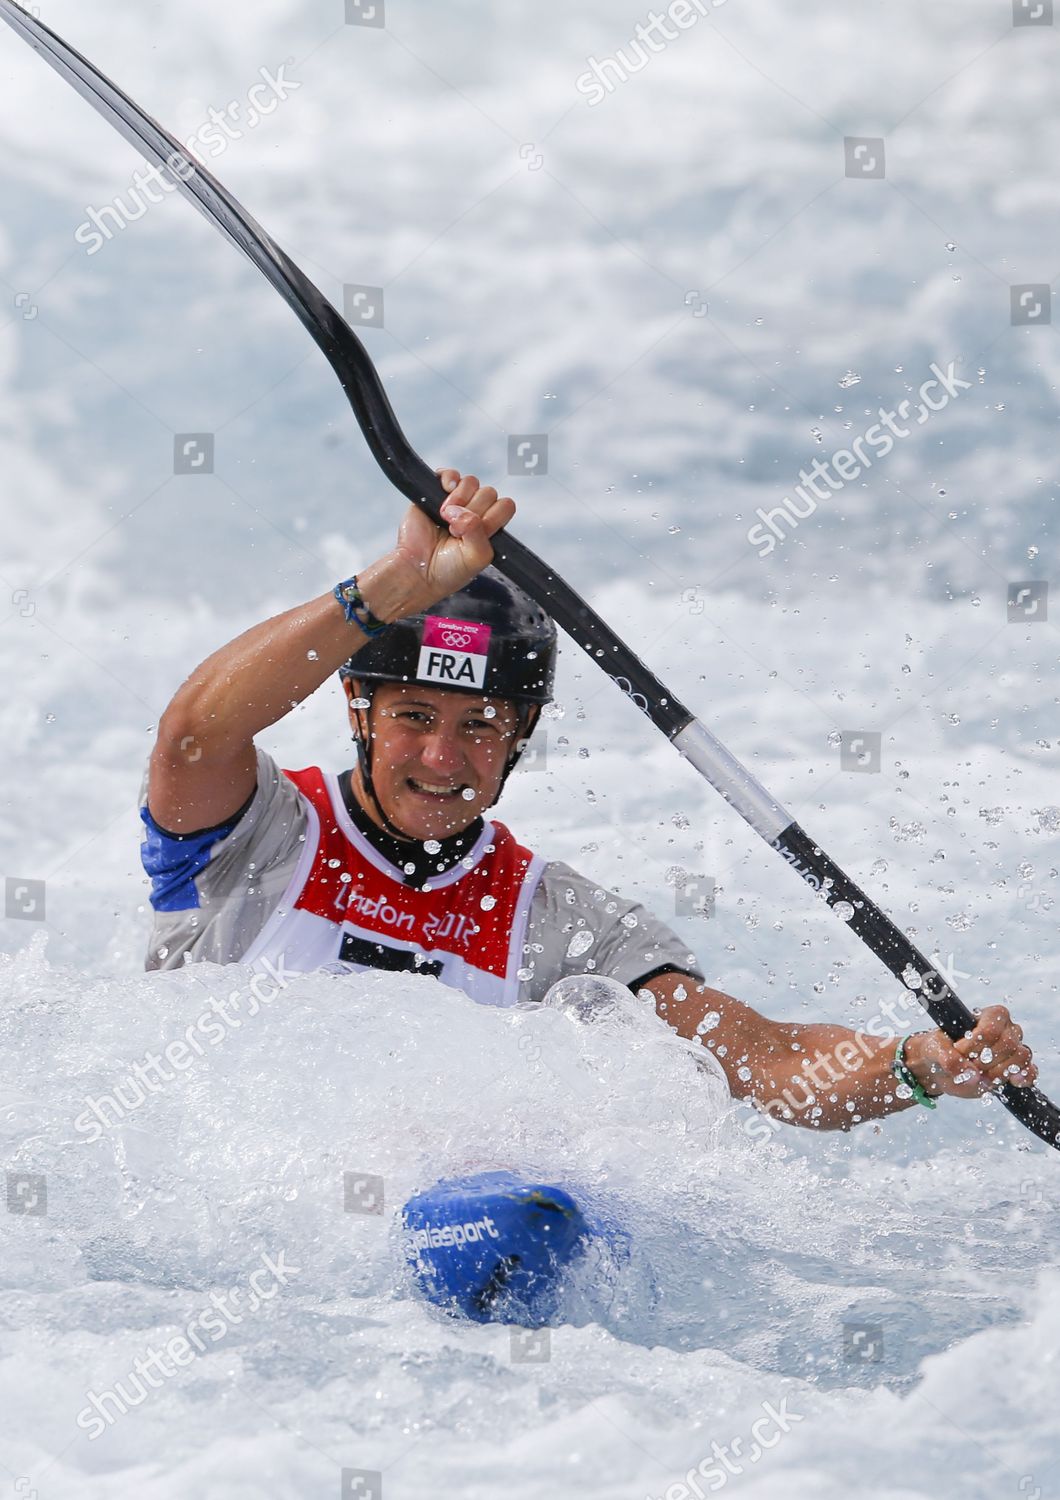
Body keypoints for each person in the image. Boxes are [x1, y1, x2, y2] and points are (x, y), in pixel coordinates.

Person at [142, 468, 1039, 1132]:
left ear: (523, 733)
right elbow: (193, 736)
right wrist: (397, 587)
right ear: (357, 709)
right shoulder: (260, 834)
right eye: (413, 715)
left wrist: (920, 1063)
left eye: (481, 725)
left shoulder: (563, 925)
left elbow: (764, 1061)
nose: (442, 756)